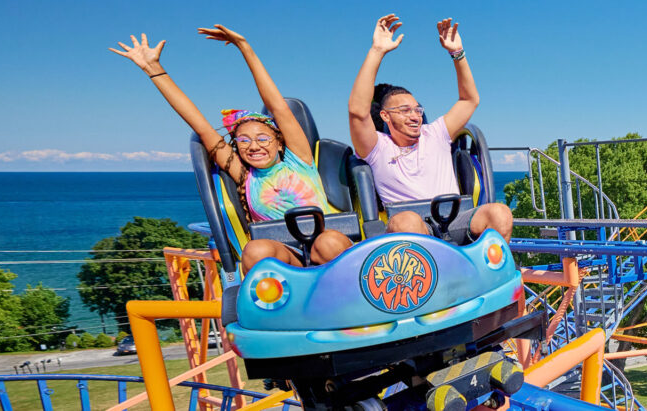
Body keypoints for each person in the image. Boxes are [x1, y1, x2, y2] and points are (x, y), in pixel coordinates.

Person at [110, 27, 352, 272]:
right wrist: (153, 69)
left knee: (328, 242)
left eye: (262, 139)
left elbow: (277, 107)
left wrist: (244, 47)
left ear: (279, 142)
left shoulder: (299, 159)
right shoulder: (245, 176)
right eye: (244, 141)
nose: (254, 145)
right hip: (288, 257)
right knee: (256, 250)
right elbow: (200, 125)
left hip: (330, 247)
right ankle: (269, 306)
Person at [348, 14, 512, 244]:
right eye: (405, 110)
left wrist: (458, 54)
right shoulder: (376, 147)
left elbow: (469, 100)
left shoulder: (436, 133)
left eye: (417, 110)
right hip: (413, 227)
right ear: (385, 116)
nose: (415, 116)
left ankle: (491, 274)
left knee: (500, 213)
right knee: (407, 222)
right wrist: (376, 51)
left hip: (454, 219)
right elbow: (357, 111)